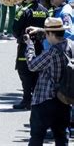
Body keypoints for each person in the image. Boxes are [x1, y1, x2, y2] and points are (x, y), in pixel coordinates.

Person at [25, 17, 73, 145]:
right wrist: (40, 30)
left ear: (51, 34)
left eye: (46, 33)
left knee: (36, 136)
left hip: (44, 101)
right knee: (61, 137)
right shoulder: (71, 45)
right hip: (64, 99)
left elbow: (32, 65)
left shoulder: (52, 52)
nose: (45, 35)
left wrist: (29, 45)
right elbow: (53, 34)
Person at [12, 0, 48, 110]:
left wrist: (20, 37)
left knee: (24, 72)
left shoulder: (24, 10)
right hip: (40, 46)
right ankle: (35, 99)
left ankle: (27, 100)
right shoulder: (45, 10)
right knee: (36, 73)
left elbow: (15, 30)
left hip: (26, 46)